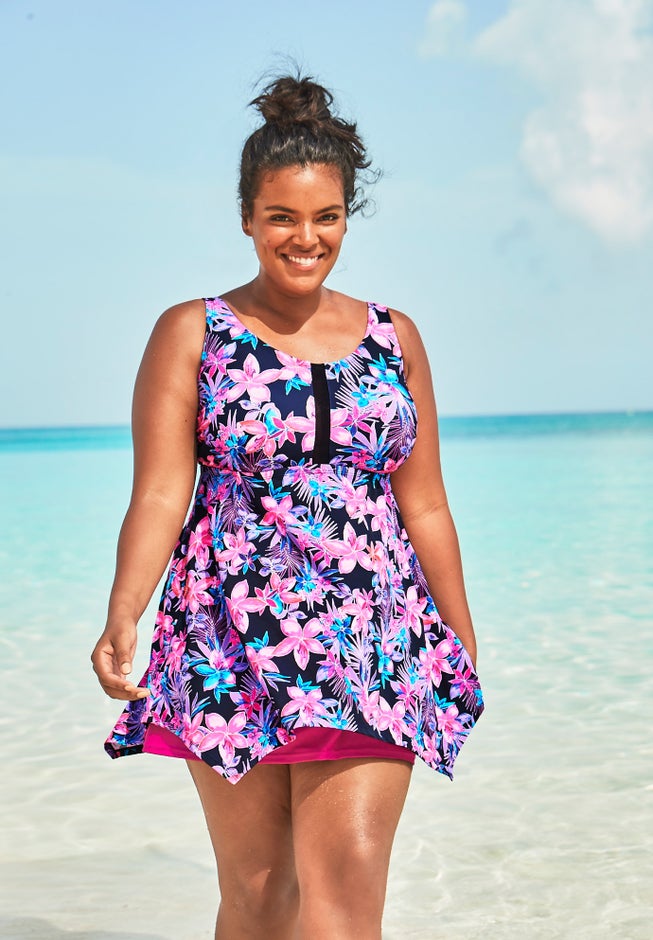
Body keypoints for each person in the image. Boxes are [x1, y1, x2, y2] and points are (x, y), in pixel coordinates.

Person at [91, 72, 484, 940]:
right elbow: (160, 490)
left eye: (325, 217)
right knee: (260, 897)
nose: (305, 238)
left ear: (346, 217)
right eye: (281, 217)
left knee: (343, 901)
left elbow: (425, 505)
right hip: (227, 635)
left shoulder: (395, 337)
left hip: (372, 635)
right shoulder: (192, 331)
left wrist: (457, 638)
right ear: (246, 217)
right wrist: (125, 611)